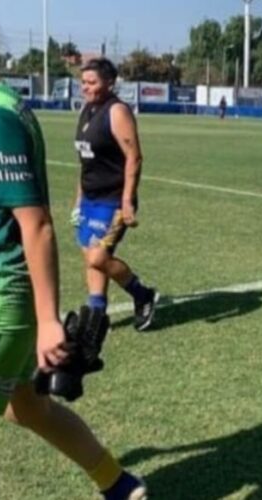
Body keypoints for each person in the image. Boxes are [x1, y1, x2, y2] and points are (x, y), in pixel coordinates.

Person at [0, 2, 145, 499]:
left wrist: (48, 321)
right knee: (27, 407)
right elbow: (4, 215)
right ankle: (120, 485)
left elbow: (37, 225)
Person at [73, 58, 159, 331]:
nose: (86, 88)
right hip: (89, 198)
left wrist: (127, 200)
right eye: (83, 82)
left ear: (109, 83)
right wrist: (78, 199)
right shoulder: (86, 110)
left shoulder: (117, 111)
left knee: (98, 256)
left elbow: (134, 157)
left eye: (92, 82)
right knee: (90, 256)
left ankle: (142, 295)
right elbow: (86, 160)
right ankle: (97, 313)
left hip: (112, 200)